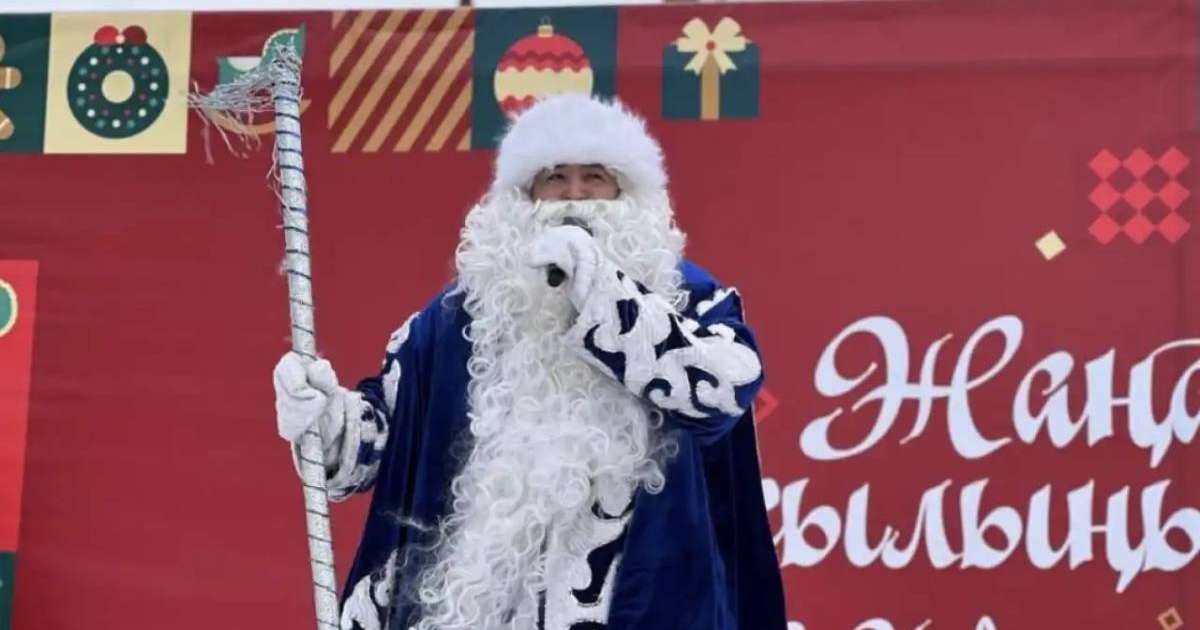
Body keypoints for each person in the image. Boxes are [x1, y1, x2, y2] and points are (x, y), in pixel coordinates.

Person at [273, 93, 787, 630]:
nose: (574, 196)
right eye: (555, 178)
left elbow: (726, 390)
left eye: (594, 178)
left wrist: (604, 297)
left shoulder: (688, 297)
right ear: (523, 196)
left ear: (627, 193)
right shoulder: (459, 318)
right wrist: (326, 421)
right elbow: (382, 444)